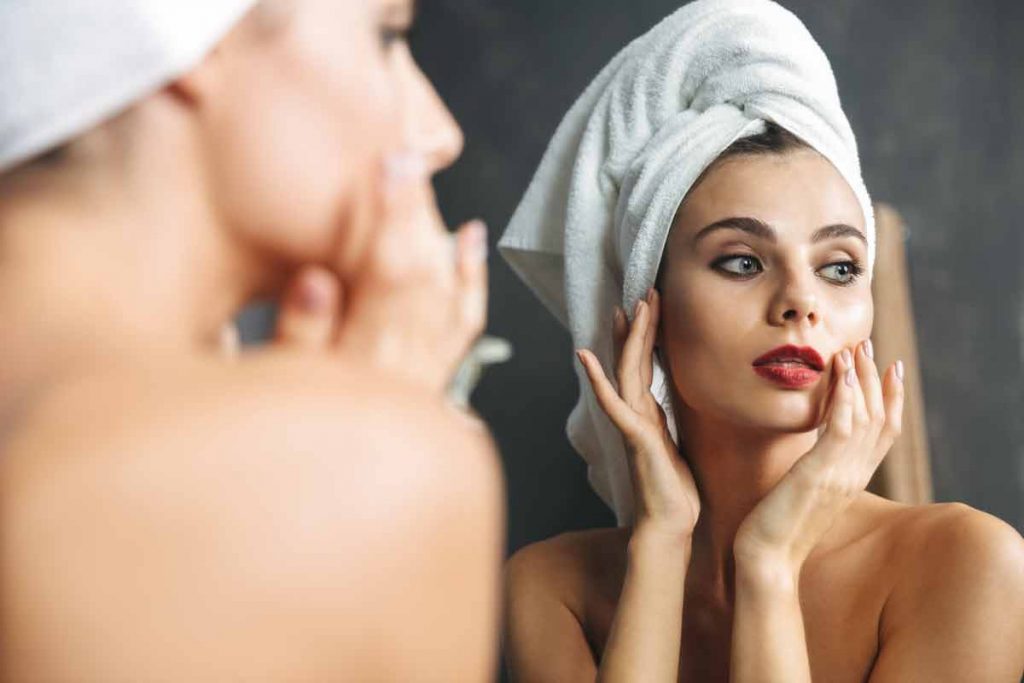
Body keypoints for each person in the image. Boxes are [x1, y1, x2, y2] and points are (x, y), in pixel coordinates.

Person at [499, 1, 1024, 681]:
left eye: (839, 268)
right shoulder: (553, 588)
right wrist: (660, 543)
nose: (801, 302)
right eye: (741, 261)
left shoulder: (967, 565)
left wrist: (769, 563)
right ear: (644, 308)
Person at [0, 0, 503, 680]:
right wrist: (370, 445)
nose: (440, 134)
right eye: (385, 36)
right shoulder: (384, 462)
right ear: (202, 46)